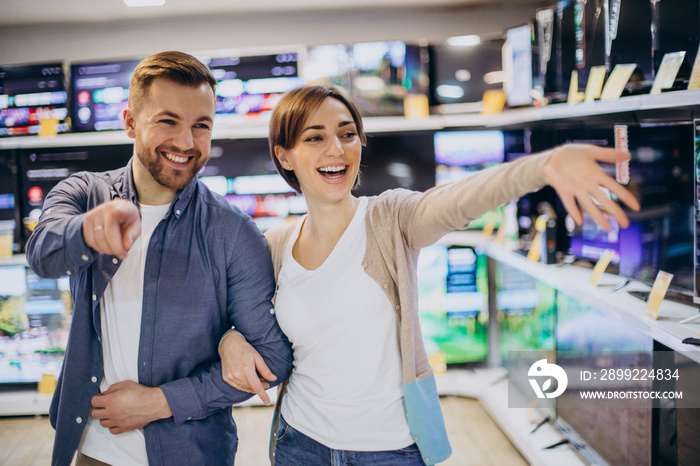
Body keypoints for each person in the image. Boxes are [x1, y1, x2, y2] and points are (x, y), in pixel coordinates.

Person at [218, 84, 640, 465]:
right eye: (315, 138)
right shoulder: (274, 245)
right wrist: (230, 338)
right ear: (284, 155)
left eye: (347, 134)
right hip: (300, 443)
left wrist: (541, 167)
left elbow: (458, 200)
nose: (337, 150)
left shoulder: (391, 217)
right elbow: (245, 319)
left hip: (390, 450)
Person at [25, 51, 293, 466]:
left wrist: (159, 402)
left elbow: (272, 358)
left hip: (191, 453)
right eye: (168, 121)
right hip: (91, 448)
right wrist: (88, 230)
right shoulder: (84, 194)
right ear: (131, 122)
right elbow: (43, 254)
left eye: (200, 126)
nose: (186, 143)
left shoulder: (233, 231)